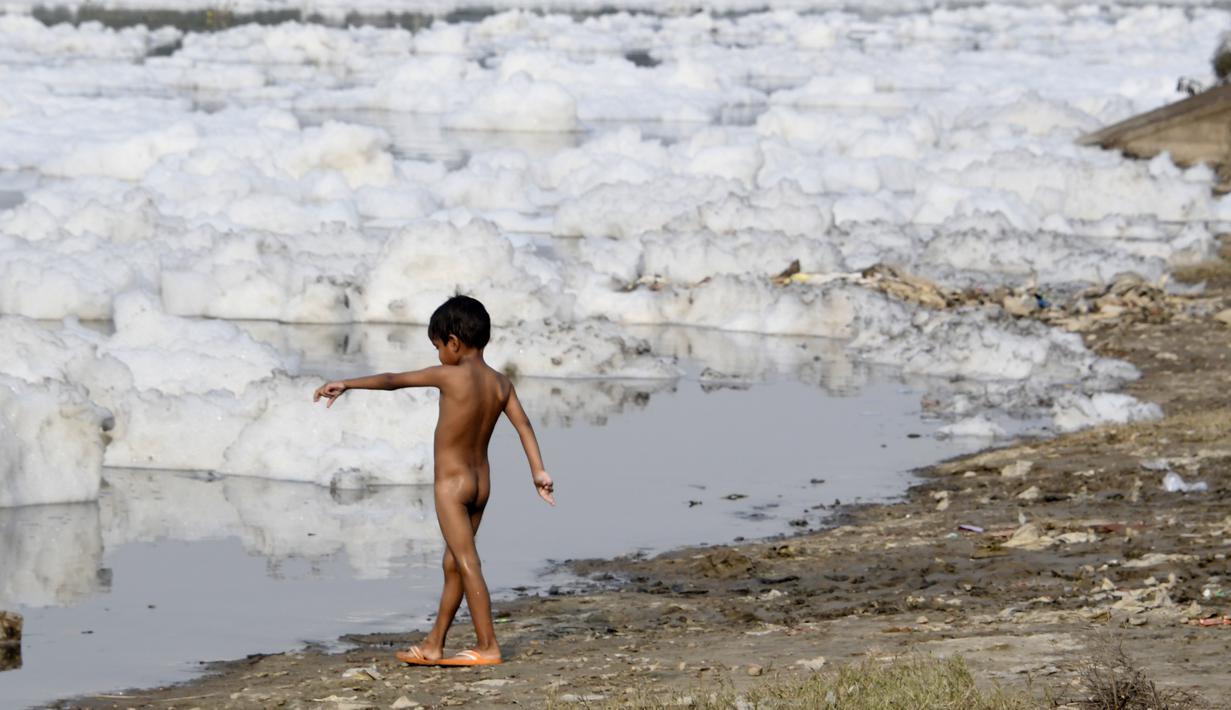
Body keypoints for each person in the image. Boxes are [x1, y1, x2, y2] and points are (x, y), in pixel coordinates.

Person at [313, 295, 554, 667]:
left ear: (454, 343)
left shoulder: (448, 374)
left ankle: (488, 646)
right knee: (453, 564)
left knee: (467, 561)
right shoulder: (500, 383)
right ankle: (434, 643)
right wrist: (538, 471)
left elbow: (394, 381)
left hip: (451, 488)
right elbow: (524, 425)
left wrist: (347, 384)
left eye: (438, 346)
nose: (439, 353)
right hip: (481, 486)